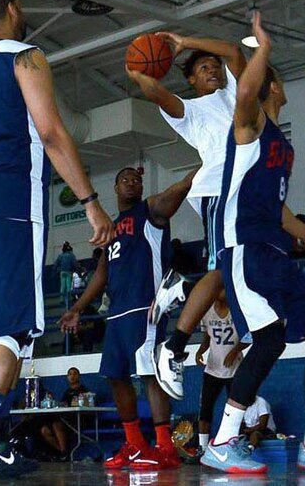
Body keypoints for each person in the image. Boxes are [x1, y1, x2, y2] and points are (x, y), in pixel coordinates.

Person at [0, 0, 114, 479]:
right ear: (13, 11)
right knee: (8, 329)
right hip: (9, 200)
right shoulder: (26, 55)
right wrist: (89, 203)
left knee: (2, 332)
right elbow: (50, 131)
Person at [199, 12, 305, 474]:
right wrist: (262, 48)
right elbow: (246, 91)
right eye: (280, 79)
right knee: (269, 339)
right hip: (245, 250)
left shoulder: (282, 145)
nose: (282, 84)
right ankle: (223, 440)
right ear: (273, 88)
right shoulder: (250, 130)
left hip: (276, 251)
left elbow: (277, 209)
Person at [127, 33, 246, 394]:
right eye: (202, 68)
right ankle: (176, 334)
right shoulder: (190, 112)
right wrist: (138, 68)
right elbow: (154, 91)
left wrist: (184, 42)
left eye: (214, 66)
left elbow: (236, 52)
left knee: (243, 270)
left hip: (248, 191)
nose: (212, 69)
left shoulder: (233, 96)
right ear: (191, 80)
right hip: (216, 189)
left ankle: (184, 291)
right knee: (223, 270)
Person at [59, 166, 195, 471]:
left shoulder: (151, 212)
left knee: (150, 375)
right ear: (116, 188)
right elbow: (102, 275)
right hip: (117, 313)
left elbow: (181, 187)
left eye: (136, 179)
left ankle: (165, 448)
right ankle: (134, 444)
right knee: (116, 376)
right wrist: (77, 308)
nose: (131, 182)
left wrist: (210, 159)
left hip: (144, 308)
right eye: (125, 179)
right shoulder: (112, 227)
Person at [195, 290, 249, 453]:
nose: (218, 291)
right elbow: (207, 336)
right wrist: (200, 351)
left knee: (237, 409)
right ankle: (202, 448)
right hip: (212, 368)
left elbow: (248, 336)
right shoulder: (207, 311)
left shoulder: (237, 310)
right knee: (205, 409)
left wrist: (235, 351)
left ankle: (236, 445)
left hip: (235, 369)